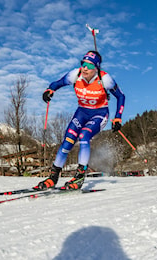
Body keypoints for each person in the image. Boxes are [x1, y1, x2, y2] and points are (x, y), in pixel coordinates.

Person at [34, 50, 125, 190]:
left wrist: (118, 117)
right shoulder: (75, 75)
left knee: (84, 135)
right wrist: (49, 90)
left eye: (89, 65)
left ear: (96, 67)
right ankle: (53, 177)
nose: (85, 68)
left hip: (99, 114)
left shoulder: (105, 79)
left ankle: (80, 175)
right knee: (68, 141)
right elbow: (57, 84)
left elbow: (121, 96)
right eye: (83, 64)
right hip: (81, 113)